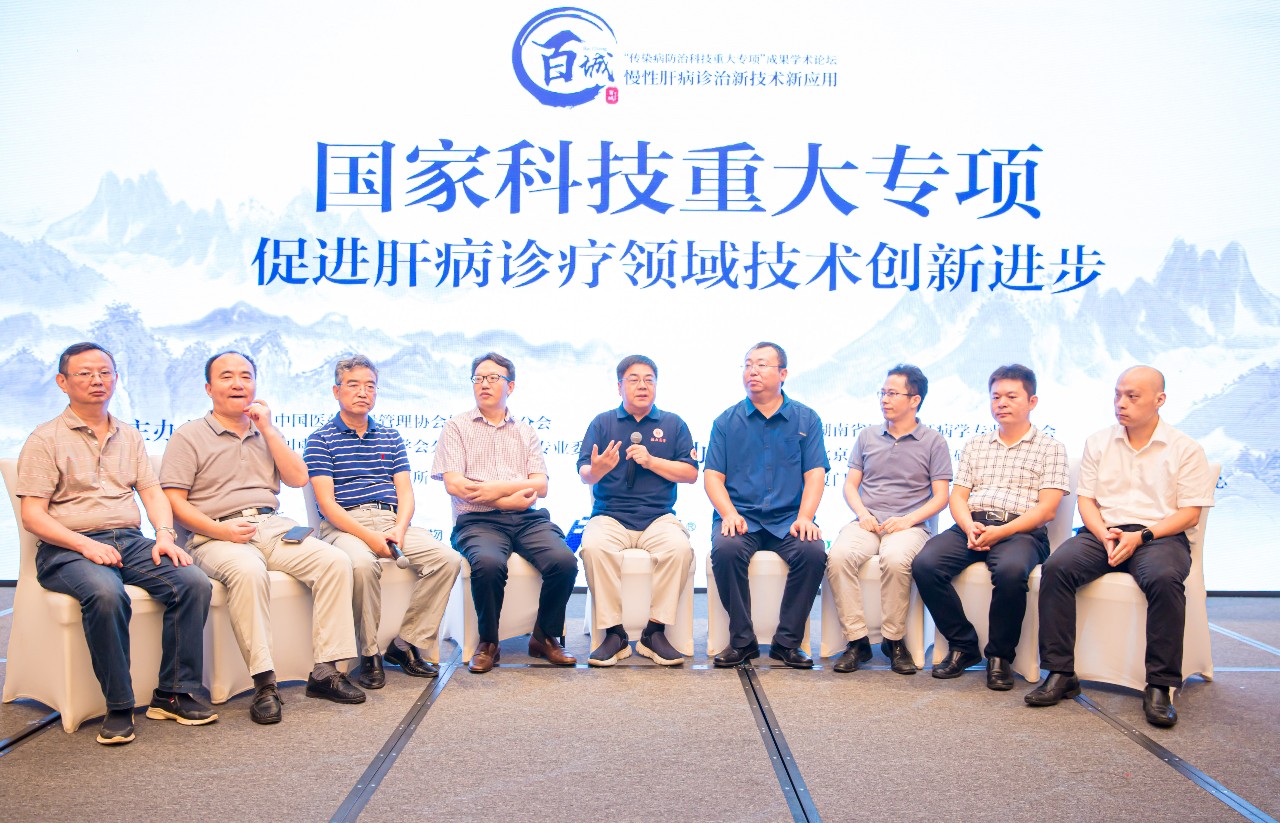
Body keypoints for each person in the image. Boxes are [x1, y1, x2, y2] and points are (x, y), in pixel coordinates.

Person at [16, 342, 216, 745]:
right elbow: (33, 516)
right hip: (67, 548)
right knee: (107, 594)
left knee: (192, 582)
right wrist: (84, 546)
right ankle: (120, 705)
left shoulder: (129, 434)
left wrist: (164, 535)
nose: (97, 380)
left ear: (116, 379)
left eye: (104, 372)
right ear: (62, 382)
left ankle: (173, 693)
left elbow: (151, 492)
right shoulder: (44, 438)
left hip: (127, 539)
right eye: (85, 373)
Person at [161, 351, 363, 724]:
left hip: (271, 525)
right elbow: (173, 502)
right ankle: (264, 683)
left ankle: (326, 670)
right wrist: (219, 530)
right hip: (215, 533)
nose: (238, 384)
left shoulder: (265, 431)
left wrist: (268, 429)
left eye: (246, 376)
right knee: (248, 572)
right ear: (208, 388)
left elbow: (298, 478)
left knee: (335, 561)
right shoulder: (188, 435)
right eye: (226, 377)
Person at [1025, 366, 1214, 727]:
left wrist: (1142, 537)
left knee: (1164, 579)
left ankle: (1159, 685)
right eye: (1117, 394)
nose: (1121, 403)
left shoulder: (1186, 448)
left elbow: (1190, 513)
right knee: (1057, 568)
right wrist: (1103, 534)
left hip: (1158, 536)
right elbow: (1086, 500)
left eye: (1132, 396)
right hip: (1104, 532)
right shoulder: (1098, 441)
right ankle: (1060, 672)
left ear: (1159, 400)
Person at [305, 355, 461, 688]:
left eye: (370, 386)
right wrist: (368, 537)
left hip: (391, 520)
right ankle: (369, 653)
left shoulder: (390, 437)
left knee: (447, 559)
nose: (363, 392)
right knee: (362, 565)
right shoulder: (320, 439)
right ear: (336, 391)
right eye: (353, 385)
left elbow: (405, 493)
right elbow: (327, 505)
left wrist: (399, 529)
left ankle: (404, 644)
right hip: (346, 524)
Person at [913, 364, 1068, 690]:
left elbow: (1047, 509)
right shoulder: (976, 445)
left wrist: (1002, 532)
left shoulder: (1050, 448)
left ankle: (999, 657)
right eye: (996, 397)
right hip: (973, 524)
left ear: (1032, 401)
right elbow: (958, 496)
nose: (1002, 403)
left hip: (1021, 531)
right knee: (926, 564)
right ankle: (963, 645)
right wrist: (969, 526)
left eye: (1011, 396)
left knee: (1011, 572)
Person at [431, 352, 578, 674]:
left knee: (565, 562)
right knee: (487, 564)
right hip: (476, 521)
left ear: (510, 386)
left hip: (526, 519)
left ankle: (544, 636)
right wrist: (509, 499)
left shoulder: (525, 431)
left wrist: (495, 491)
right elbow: (455, 484)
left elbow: (540, 485)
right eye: (478, 378)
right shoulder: (456, 427)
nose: (484, 384)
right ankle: (488, 642)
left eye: (493, 378)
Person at [705, 342, 829, 669]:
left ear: (783, 373)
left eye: (761, 365)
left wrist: (805, 517)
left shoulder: (806, 418)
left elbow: (815, 474)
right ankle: (742, 641)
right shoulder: (726, 421)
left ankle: (787, 643)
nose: (753, 371)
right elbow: (713, 477)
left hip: (789, 519)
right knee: (726, 550)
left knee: (813, 552)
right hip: (741, 517)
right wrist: (729, 513)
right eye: (748, 365)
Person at [826, 365, 951, 675]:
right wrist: (863, 514)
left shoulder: (933, 441)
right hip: (867, 521)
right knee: (838, 556)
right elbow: (850, 485)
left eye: (892, 393)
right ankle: (857, 641)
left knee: (895, 560)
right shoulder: (867, 436)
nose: (884, 399)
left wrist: (908, 520)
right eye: (882, 393)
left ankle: (893, 641)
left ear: (914, 400)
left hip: (910, 526)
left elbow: (941, 497)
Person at [577, 355, 698, 667]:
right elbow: (585, 473)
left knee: (680, 549)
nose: (642, 385)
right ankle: (614, 633)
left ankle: (654, 633)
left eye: (649, 379)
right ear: (619, 387)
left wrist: (652, 461)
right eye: (633, 379)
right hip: (610, 515)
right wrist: (598, 469)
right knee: (593, 547)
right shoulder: (602, 422)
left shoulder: (673, 423)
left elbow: (690, 473)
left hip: (658, 517)